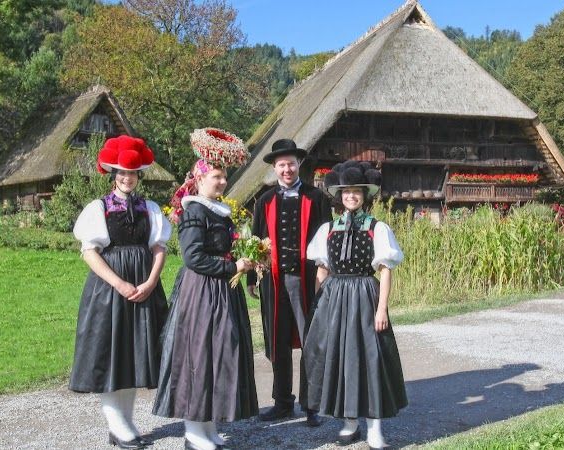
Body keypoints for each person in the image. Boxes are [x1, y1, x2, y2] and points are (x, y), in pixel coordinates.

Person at [154, 128, 257, 450]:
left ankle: (208, 426)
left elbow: (224, 249)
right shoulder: (194, 210)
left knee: (219, 355)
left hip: (222, 291)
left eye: (224, 176)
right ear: (200, 179)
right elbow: (193, 257)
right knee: (199, 357)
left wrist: (247, 259)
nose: (222, 181)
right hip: (202, 291)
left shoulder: (217, 210)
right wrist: (233, 267)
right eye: (216, 176)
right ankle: (194, 431)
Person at [70, 135, 171, 449]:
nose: (127, 178)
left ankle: (123, 425)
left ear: (139, 176)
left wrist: (152, 281)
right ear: (113, 175)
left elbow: (159, 247)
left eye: (132, 173)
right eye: (122, 173)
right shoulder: (98, 208)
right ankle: (118, 424)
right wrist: (119, 283)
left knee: (133, 356)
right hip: (110, 291)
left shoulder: (150, 208)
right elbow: (89, 252)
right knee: (113, 354)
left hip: (144, 286)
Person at [304, 161, 408, 450]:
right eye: (346, 192)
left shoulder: (377, 228)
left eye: (356, 192)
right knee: (340, 357)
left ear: (364, 195)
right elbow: (322, 269)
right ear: (340, 195)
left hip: (365, 294)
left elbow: (386, 270)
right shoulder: (328, 228)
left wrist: (382, 308)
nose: (351, 196)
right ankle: (349, 423)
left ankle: (374, 428)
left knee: (369, 358)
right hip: (334, 298)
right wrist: (319, 303)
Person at [246, 138, 332, 427]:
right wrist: (250, 279)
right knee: (277, 341)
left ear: (299, 165)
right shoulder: (265, 201)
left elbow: (327, 242)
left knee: (311, 340)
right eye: (281, 165)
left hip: (306, 280)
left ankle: (312, 405)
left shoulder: (317, 198)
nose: (287, 169)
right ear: (274, 168)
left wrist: (325, 277)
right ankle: (282, 402)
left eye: (291, 164)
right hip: (273, 281)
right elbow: (256, 242)